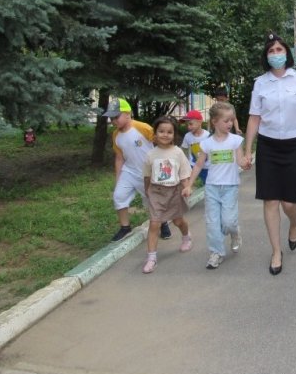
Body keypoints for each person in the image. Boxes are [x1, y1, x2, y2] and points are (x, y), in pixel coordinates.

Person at [243, 33, 296, 276]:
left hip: (294, 144)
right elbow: (254, 118)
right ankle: (276, 252)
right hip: (268, 147)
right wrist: (248, 151)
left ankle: (295, 223)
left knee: (289, 202)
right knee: (270, 200)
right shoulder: (260, 83)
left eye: (279, 49)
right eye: (271, 51)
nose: (276, 54)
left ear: (286, 53)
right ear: (266, 56)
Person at [185, 102, 246, 270]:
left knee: (228, 222)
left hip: (230, 187)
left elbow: (240, 161)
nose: (229, 124)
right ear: (214, 122)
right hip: (211, 187)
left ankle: (235, 232)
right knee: (212, 223)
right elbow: (198, 165)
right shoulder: (207, 144)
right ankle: (216, 253)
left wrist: (246, 163)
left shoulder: (235, 140)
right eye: (226, 121)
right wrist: (189, 184)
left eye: (231, 120)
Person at [104, 98, 171, 242]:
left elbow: (161, 141)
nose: (113, 121)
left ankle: (163, 223)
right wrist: (118, 179)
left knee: (152, 202)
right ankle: (125, 227)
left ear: (127, 114)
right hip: (129, 172)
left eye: (116, 117)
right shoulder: (116, 135)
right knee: (119, 196)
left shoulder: (142, 127)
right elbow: (119, 158)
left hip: (148, 173)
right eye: (111, 118)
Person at [141, 117, 193, 273]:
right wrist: (147, 190)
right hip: (156, 192)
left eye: (169, 132)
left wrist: (187, 188)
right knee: (154, 224)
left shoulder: (178, 152)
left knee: (178, 221)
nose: (165, 135)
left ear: (174, 134)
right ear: (155, 134)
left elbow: (184, 175)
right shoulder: (151, 154)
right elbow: (147, 175)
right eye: (161, 131)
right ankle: (151, 258)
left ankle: (186, 236)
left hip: (174, 192)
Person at [180, 110, 210, 185]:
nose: (188, 127)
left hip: (207, 167)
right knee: (195, 186)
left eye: (191, 124)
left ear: (200, 122)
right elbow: (184, 150)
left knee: (206, 186)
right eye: (187, 125)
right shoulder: (187, 136)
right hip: (193, 166)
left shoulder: (208, 136)